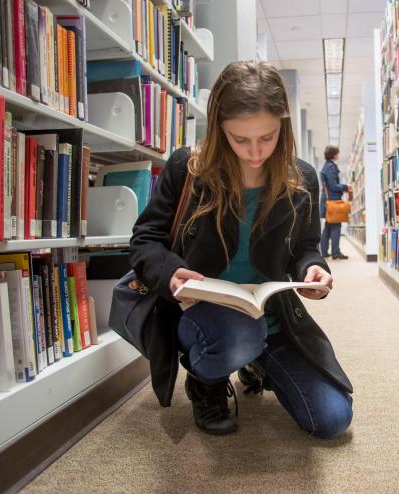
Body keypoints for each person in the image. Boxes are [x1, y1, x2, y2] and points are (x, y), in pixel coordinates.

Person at [129, 61, 353, 438]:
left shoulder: (301, 179)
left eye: (267, 137)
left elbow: (305, 247)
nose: (255, 152)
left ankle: (255, 360)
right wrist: (169, 272)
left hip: (271, 315)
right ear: (219, 130)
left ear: (283, 127)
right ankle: (206, 380)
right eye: (240, 139)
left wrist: (312, 269)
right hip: (202, 314)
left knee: (332, 419)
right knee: (240, 335)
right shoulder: (189, 169)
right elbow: (145, 239)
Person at [320, 145, 351, 260]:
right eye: (337, 153)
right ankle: (335, 253)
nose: (338, 154)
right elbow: (333, 186)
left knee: (328, 227)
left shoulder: (327, 166)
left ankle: (324, 252)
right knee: (336, 226)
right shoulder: (330, 167)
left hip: (329, 201)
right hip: (333, 201)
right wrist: (345, 187)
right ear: (333, 154)